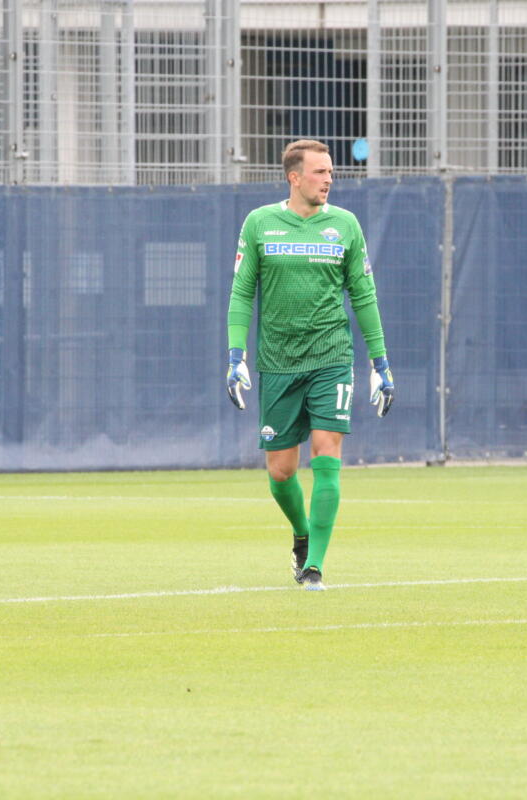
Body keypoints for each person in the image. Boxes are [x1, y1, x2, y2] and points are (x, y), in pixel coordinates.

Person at [225, 139, 395, 592]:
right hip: (277, 362)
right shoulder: (260, 223)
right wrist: (235, 356)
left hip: (331, 357)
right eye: (320, 173)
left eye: (331, 172)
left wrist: (380, 363)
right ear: (294, 177)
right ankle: (301, 534)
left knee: (327, 452)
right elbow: (242, 293)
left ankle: (314, 566)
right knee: (280, 472)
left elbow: (363, 295)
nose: (329, 180)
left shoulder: (345, 226)